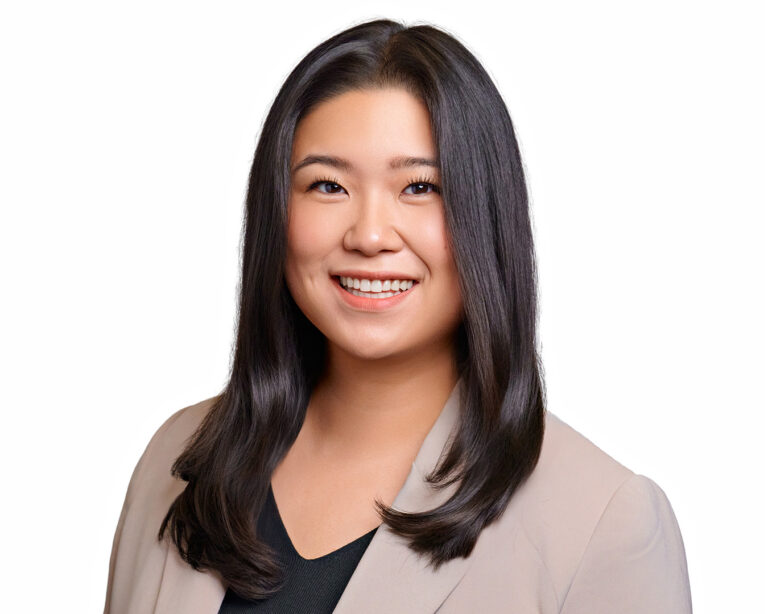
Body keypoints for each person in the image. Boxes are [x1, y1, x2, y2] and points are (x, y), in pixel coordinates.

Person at [104, 18, 692, 614]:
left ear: (484, 216)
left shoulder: (603, 522)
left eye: (419, 187)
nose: (370, 235)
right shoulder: (176, 458)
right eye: (328, 185)